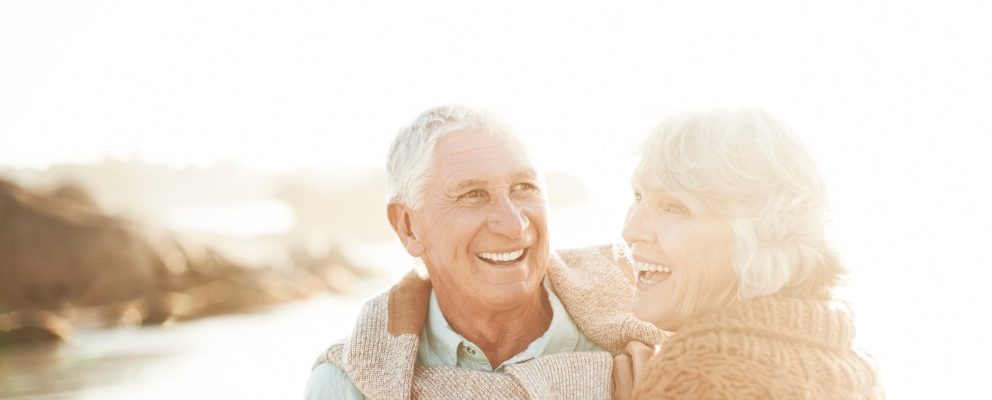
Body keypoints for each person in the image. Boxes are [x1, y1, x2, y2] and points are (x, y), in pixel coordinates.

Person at [305, 105, 662, 399]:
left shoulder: (654, 333)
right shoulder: (348, 385)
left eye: (524, 187)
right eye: (473, 194)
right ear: (408, 227)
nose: (512, 223)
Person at [612, 109, 882, 399]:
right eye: (638, 196)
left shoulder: (703, 375)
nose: (630, 230)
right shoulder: (848, 364)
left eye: (674, 207)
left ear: (762, 234)